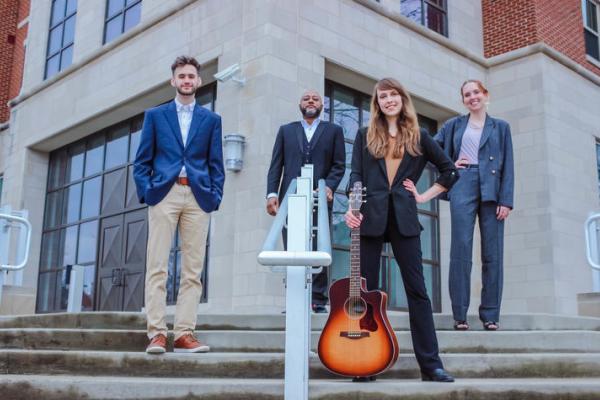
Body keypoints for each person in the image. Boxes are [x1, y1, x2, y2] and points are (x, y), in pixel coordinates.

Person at [345, 78, 457, 382]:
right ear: (377, 103)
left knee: (417, 292)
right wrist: (351, 208)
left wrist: (423, 195)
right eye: (383, 96)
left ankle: (431, 366)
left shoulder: (419, 136)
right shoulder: (363, 135)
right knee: (366, 294)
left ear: (402, 98)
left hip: (405, 220)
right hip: (370, 218)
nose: (389, 100)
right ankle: (366, 361)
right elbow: (355, 174)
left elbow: (450, 171)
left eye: (393, 94)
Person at [134, 55, 225, 354]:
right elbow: (142, 161)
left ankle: (185, 333)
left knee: (192, 271)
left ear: (199, 81)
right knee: (157, 267)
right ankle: (157, 334)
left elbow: (216, 164)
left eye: (191, 76)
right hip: (165, 194)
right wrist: (147, 192)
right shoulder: (155, 116)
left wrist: (215, 195)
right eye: (181, 76)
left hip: (198, 197)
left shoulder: (212, 120)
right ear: (173, 80)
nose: (187, 80)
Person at [434, 80, 514, 331]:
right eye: (467, 94)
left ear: (485, 94)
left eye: (476, 92)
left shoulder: (501, 127)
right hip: (463, 183)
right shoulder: (453, 125)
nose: (472, 97)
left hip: (492, 189)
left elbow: (509, 165)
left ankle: (490, 315)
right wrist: (449, 165)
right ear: (463, 100)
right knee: (461, 249)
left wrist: (506, 199)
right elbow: (428, 148)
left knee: (493, 253)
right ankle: (460, 315)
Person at [266, 90, 345, 313]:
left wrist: (329, 186)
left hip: (320, 197)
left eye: (315, 99)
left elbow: (339, 165)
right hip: (290, 199)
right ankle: (294, 299)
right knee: (292, 247)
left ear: (322, 105)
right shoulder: (286, 131)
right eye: (306, 99)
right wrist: (272, 194)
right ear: (299, 104)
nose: (311, 101)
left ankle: (318, 300)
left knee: (319, 245)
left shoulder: (334, 131)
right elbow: (276, 166)